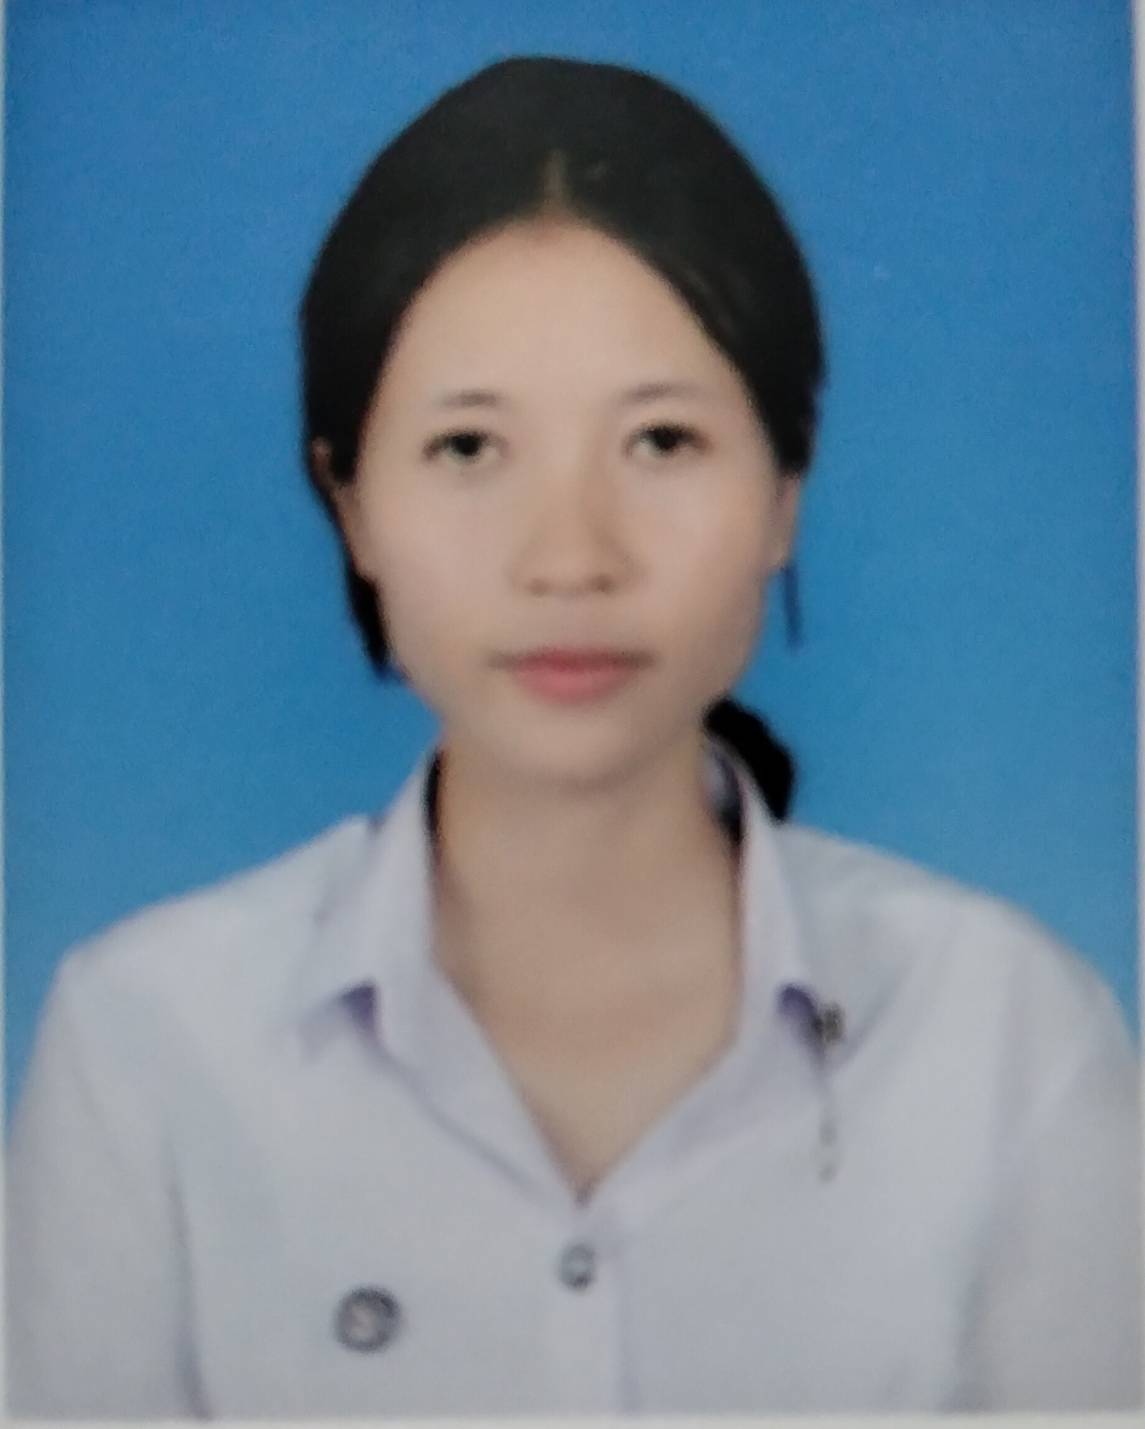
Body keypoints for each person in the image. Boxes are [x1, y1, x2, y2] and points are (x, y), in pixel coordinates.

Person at [6, 54, 1140, 1419]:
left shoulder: (1006, 1034)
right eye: (469, 449)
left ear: (784, 490)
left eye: (660, 442)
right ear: (350, 502)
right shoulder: (148, 1046)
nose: (570, 557)